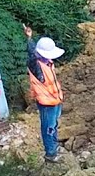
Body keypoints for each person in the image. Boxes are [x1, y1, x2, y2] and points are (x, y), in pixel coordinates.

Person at [24, 24, 65, 163]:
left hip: (55, 100)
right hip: (46, 103)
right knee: (48, 128)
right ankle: (51, 154)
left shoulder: (47, 62)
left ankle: (54, 147)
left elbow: (32, 50)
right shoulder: (36, 65)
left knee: (53, 125)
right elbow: (31, 55)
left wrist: (29, 38)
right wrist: (30, 42)